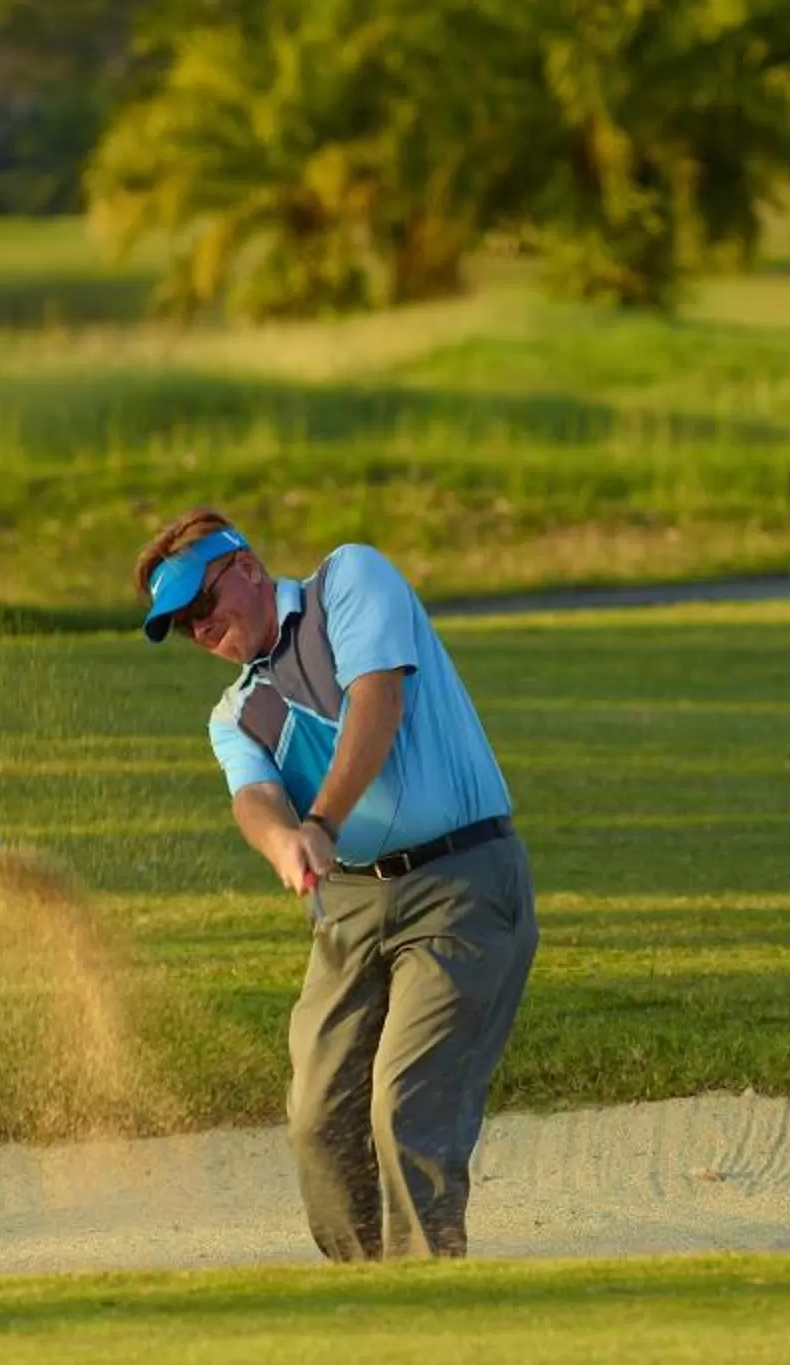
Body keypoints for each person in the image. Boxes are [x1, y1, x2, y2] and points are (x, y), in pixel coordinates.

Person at [136, 508, 537, 1261]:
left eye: (203, 604)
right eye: (182, 625)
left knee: (406, 1105)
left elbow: (375, 702)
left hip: (463, 882)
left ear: (248, 568)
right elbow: (252, 798)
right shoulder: (235, 714)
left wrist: (318, 820)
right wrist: (283, 839)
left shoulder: (347, 581)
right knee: (319, 1115)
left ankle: (428, 1293)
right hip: (350, 906)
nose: (200, 629)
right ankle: (365, 1291)